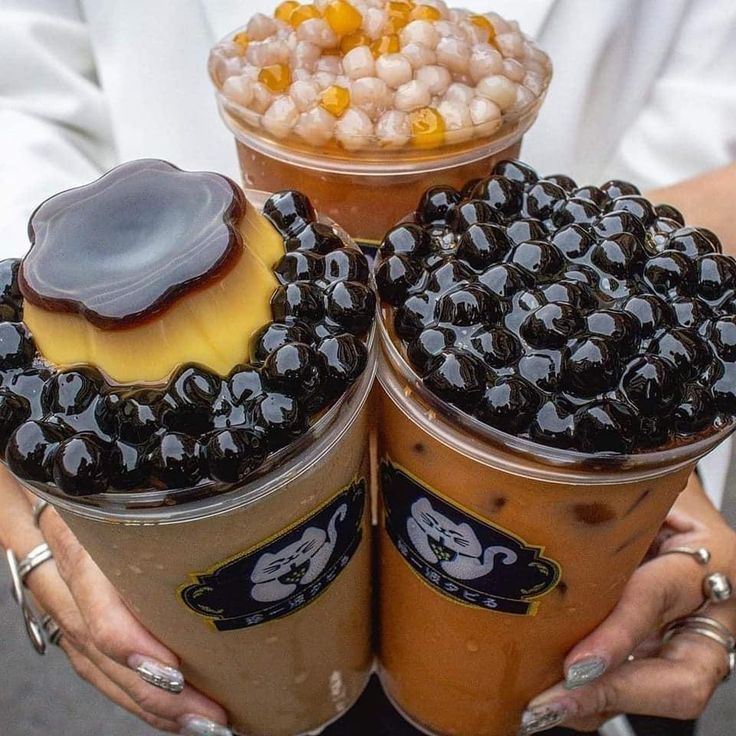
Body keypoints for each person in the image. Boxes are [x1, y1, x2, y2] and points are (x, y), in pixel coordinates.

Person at [1, 1, 736, 735]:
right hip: (167, 390)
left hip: (567, 412)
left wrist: (649, 411)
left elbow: (706, 127)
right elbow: (22, 100)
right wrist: (34, 506)